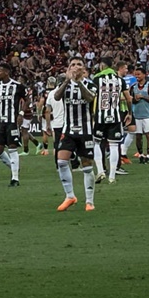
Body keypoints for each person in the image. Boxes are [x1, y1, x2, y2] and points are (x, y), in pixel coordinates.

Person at [53, 57, 98, 212]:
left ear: (84, 69)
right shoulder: (64, 85)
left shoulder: (90, 84)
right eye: (73, 64)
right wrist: (67, 80)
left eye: (79, 64)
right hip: (68, 130)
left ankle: (90, 201)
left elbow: (91, 98)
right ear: (68, 68)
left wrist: (78, 82)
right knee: (61, 162)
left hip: (85, 131)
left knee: (86, 167)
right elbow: (56, 97)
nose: (76, 67)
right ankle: (70, 196)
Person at [0, 62, 29, 186]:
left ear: (6, 72)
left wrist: (21, 113)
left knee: (12, 147)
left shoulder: (18, 86)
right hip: (0, 122)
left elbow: (27, 99)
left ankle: (15, 178)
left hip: (12, 121)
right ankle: (14, 166)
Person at [128, 66, 149, 163]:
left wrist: (143, 97)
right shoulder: (133, 87)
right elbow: (131, 100)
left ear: (144, 75)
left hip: (148, 114)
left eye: (139, 74)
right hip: (137, 114)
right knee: (138, 136)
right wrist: (135, 99)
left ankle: (148, 155)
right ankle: (140, 154)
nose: (137, 76)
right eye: (136, 74)